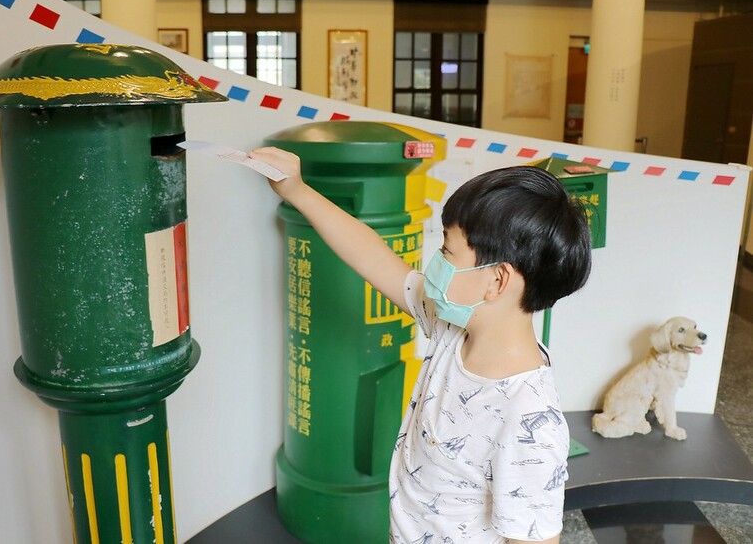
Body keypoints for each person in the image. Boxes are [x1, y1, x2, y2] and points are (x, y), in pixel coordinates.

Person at [249, 146, 592, 544]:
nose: (436, 262)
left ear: (497, 281)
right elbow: (374, 257)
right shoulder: (453, 325)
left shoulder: (528, 419)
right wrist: (297, 189)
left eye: (447, 251)